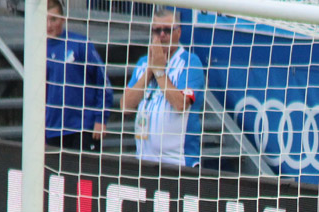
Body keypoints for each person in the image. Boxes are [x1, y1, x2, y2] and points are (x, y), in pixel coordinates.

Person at [121, 9, 205, 167]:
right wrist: (151, 70)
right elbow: (125, 106)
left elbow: (181, 104)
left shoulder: (190, 62)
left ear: (178, 33)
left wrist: (159, 72)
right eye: (157, 30)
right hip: (144, 161)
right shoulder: (143, 63)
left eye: (167, 30)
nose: (162, 35)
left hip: (179, 163)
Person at [45, 0, 113, 152]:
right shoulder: (38, 49)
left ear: (63, 20)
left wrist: (100, 119)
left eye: (53, 19)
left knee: (83, 174)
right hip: (52, 128)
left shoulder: (79, 44)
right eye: (45, 20)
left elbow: (103, 82)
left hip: (82, 127)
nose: (48, 25)